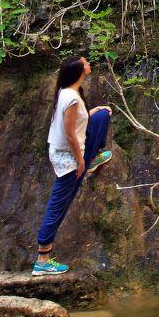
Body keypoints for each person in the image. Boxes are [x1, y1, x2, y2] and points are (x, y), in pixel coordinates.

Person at [32, 55, 113, 275]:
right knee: (59, 206)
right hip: (68, 158)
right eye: (85, 63)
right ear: (78, 71)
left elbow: (77, 122)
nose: (89, 64)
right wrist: (80, 161)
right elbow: (69, 135)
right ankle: (42, 259)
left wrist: (94, 111)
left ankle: (93, 157)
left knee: (103, 114)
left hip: (71, 150)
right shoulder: (71, 98)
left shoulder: (68, 92)